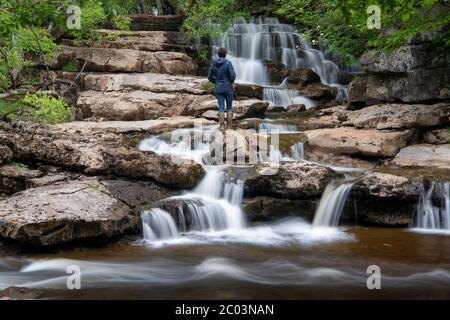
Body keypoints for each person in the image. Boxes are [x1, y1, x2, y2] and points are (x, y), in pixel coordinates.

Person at [208, 47, 236, 130]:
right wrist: (230, 82)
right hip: (228, 88)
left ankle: (221, 126)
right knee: (229, 107)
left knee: (221, 107)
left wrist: (216, 82)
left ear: (218, 54)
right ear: (225, 54)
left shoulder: (213, 64)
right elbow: (233, 76)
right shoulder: (228, 63)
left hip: (219, 88)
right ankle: (230, 126)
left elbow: (209, 77)